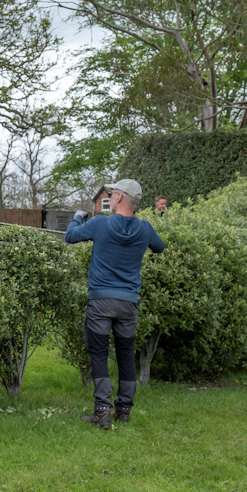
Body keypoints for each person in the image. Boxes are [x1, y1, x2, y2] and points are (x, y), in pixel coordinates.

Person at [64, 178, 164, 428]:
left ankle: (102, 412)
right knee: (126, 355)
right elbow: (159, 247)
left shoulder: (99, 224)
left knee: (99, 354)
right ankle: (124, 411)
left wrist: (78, 217)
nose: (110, 197)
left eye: (112, 193)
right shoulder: (145, 229)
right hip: (128, 303)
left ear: (119, 197)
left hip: (101, 302)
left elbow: (70, 236)